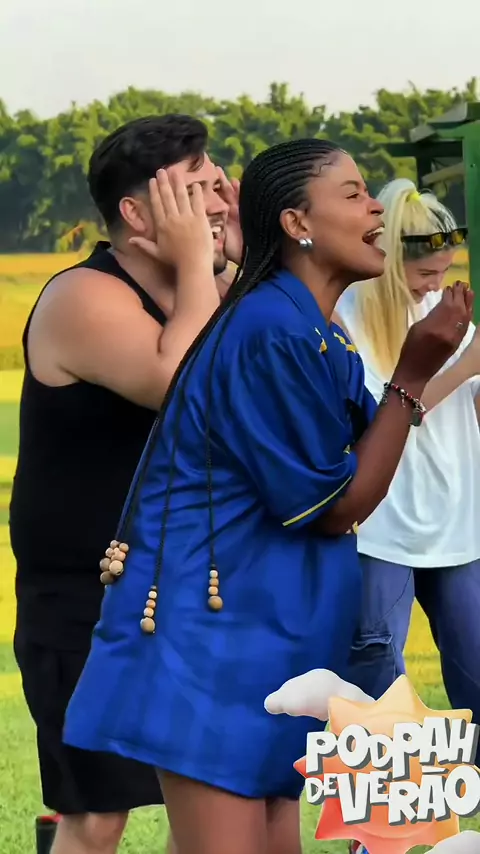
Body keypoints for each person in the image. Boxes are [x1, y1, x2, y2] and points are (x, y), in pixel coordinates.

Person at [63, 140, 471, 854]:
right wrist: (413, 372)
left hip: (273, 638)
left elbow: (370, 444)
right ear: (296, 223)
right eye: (353, 194)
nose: (376, 208)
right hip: (213, 643)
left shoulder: (314, 329)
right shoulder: (269, 331)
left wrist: (420, 372)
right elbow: (337, 507)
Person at [10, 114, 242, 854]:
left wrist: (243, 263)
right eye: (197, 190)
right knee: (98, 812)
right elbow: (183, 384)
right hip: (89, 598)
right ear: (138, 215)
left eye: (219, 184)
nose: (220, 201)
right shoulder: (83, 296)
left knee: (209, 801)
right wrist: (205, 267)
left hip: (189, 583)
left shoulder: (209, 287)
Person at [335, 179, 480, 755]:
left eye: (444, 272)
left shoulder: (445, 312)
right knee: (378, 684)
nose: (435, 285)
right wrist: (464, 364)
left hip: (458, 524)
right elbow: (387, 417)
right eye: (424, 274)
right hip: (383, 528)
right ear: (392, 264)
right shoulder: (348, 318)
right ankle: (385, 810)